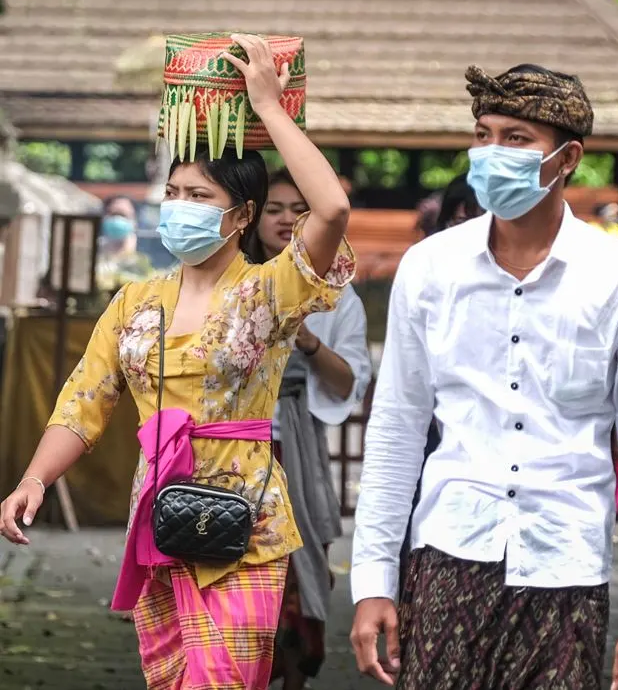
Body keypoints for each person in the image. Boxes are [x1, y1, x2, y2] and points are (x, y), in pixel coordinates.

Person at [0, 34, 355, 690]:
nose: (179, 207)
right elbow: (85, 399)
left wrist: (270, 109)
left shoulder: (269, 291)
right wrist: (35, 478)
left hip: (246, 528)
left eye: (200, 196)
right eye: (173, 191)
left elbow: (331, 208)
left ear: (240, 215)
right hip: (160, 518)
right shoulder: (134, 302)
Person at [350, 62, 618, 690]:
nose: (491, 153)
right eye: (483, 134)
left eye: (516, 138)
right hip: (447, 554)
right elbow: (396, 430)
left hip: (567, 570)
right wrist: (372, 583)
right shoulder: (429, 269)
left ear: (568, 158)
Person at [248, 167, 372, 690]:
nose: (284, 219)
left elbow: (350, 385)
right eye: (273, 208)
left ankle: (294, 676)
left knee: (298, 574)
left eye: (300, 210)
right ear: (252, 217)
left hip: (293, 447)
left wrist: (307, 341)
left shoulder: (339, 298)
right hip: (231, 452)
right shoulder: (228, 281)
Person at [397, 173, 482, 592]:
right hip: (432, 442)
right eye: (458, 220)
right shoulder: (424, 273)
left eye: (479, 219)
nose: (468, 232)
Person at [96, 195, 153, 292]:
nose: (116, 220)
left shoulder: (146, 252)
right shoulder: (95, 249)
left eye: (122, 215)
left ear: (134, 221)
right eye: (113, 214)